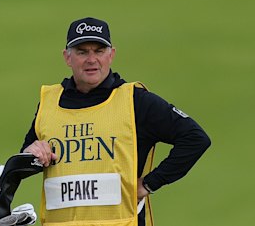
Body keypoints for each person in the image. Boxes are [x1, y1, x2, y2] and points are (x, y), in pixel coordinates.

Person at [21, 17, 210, 226]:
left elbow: (195, 138)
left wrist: (148, 184)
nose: (91, 59)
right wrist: (31, 152)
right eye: (82, 52)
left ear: (111, 55)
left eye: (99, 51)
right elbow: (25, 161)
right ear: (67, 57)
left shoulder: (135, 101)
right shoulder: (49, 102)